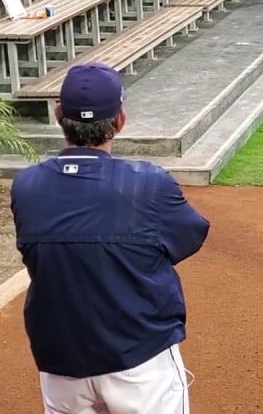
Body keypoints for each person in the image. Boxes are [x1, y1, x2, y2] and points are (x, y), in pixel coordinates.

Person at [11, 62, 211, 414]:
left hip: (61, 364)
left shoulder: (27, 187)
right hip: (139, 361)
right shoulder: (149, 184)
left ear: (59, 116)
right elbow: (189, 237)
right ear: (119, 120)